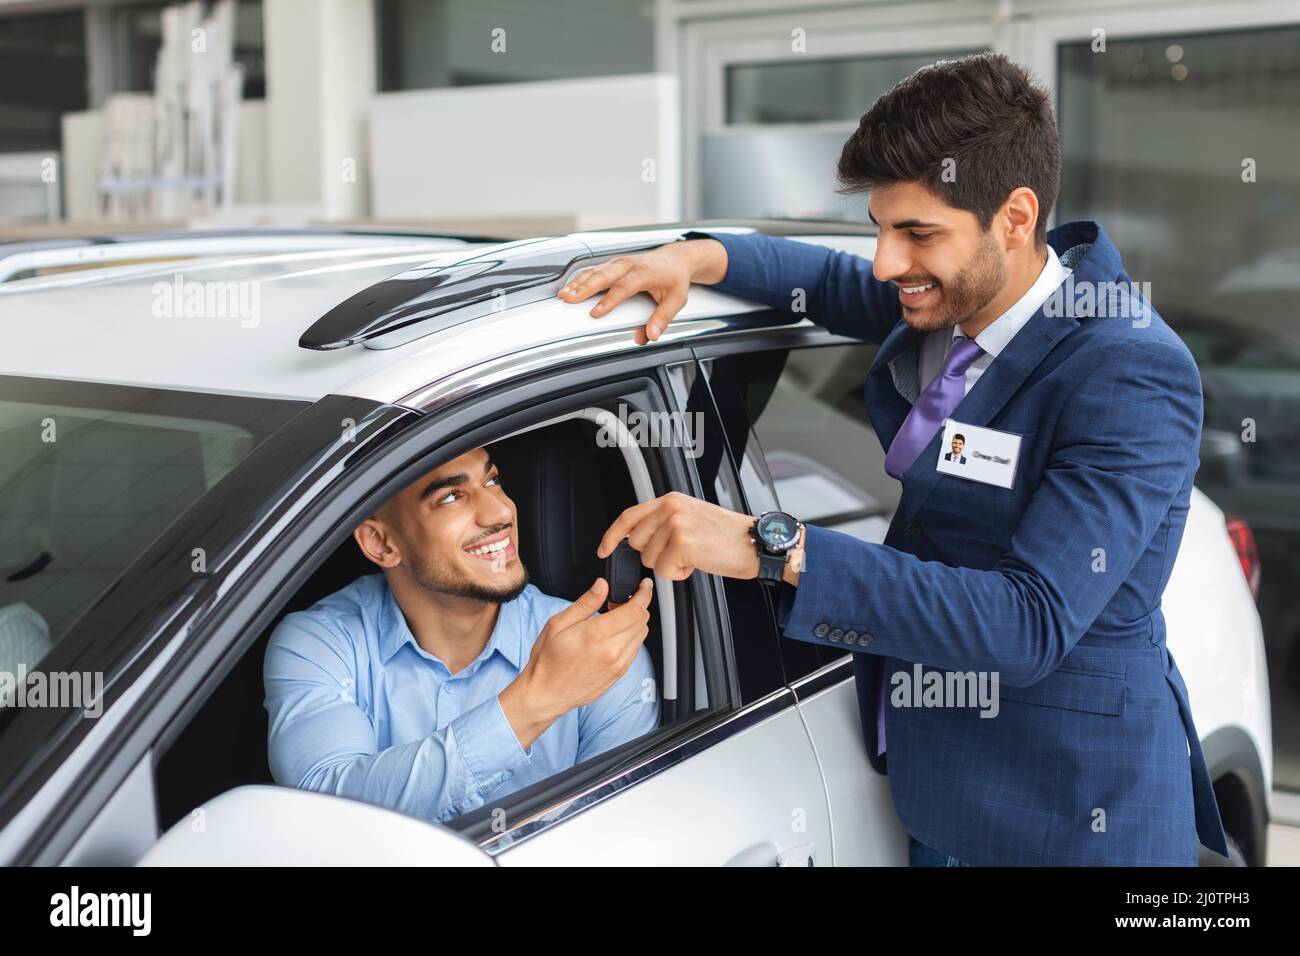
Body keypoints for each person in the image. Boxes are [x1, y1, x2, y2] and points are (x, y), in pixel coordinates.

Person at [559, 53, 1229, 866]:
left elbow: (1030, 623)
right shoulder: (956, 292)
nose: (886, 263)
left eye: (916, 233)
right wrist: (693, 260)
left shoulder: (1126, 369)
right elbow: (824, 279)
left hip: (1070, 813)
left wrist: (768, 545)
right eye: (881, 226)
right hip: (940, 792)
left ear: (1016, 218)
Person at [264, 446, 658, 824]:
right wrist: (538, 700)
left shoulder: (600, 651)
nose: (501, 510)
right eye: (451, 496)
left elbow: (611, 835)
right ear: (382, 543)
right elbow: (327, 811)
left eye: (492, 481)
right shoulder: (319, 641)